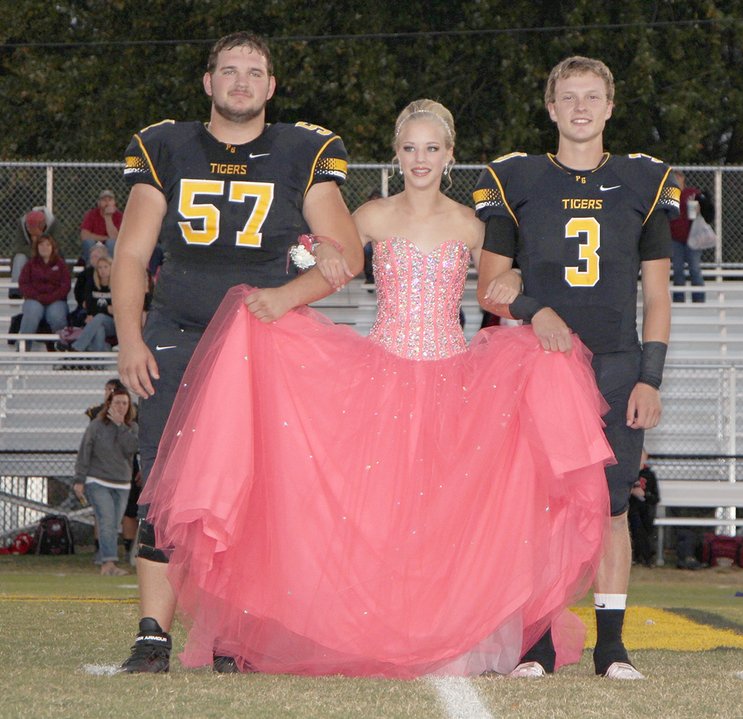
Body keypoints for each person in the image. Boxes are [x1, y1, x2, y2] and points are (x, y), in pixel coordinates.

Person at [136, 98, 614, 677]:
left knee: (446, 519)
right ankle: (360, 632)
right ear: (396, 152)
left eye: (432, 149)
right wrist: (303, 264)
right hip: (380, 378)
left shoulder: (471, 223)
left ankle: (452, 633)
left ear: (450, 156)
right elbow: (320, 255)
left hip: (452, 382)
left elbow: (496, 287)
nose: (421, 159)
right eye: (410, 148)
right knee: (376, 521)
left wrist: (518, 287)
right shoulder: (370, 216)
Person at [113, 31, 362, 673]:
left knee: (254, 490)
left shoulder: (303, 151)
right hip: (179, 329)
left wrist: (287, 297)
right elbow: (133, 255)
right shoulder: (166, 145)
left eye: (255, 72)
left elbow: (347, 255)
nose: (242, 82)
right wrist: (131, 338)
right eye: (229, 71)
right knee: (163, 482)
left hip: (261, 341)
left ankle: (234, 634)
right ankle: (152, 633)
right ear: (208, 82)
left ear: (272, 86)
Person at [474, 56, 680, 680]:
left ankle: (611, 647)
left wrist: (651, 375)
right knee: (542, 507)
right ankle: (537, 644)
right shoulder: (519, 178)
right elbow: (489, 286)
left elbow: (658, 295)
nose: (581, 108)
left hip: (618, 362)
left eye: (593, 97)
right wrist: (535, 310)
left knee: (612, 506)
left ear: (610, 106)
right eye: (569, 97)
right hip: (545, 363)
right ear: (551, 107)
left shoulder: (643, 182)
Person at [73, 386, 139, 576]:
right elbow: (84, 452)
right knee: (107, 520)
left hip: (122, 483)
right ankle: (108, 563)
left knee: (113, 523)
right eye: (117, 402)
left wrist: (121, 426)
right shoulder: (96, 425)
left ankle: (106, 559)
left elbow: (131, 449)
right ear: (109, 404)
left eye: (124, 403)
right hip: (98, 480)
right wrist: (80, 479)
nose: (121, 406)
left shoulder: (132, 427)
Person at [17, 234, 71, 343]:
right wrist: (37, 296)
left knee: (57, 316)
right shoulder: (30, 264)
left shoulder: (61, 265)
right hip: (34, 299)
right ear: (37, 247)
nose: (44, 247)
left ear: (53, 247)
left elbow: (65, 285)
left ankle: (63, 348)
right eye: (41, 245)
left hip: (56, 300)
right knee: (31, 315)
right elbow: (23, 284)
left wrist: (51, 297)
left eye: (48, 245)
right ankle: (23, 350)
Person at [670, 170, 710, 303]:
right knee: (678, 269)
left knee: (694, 268)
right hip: (676, 238)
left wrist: (701, 206)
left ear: (682, 180)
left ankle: (699, 298)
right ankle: (679, 298)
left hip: (693, 238)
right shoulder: (669, 196)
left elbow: (707, 208)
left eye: (677, 179)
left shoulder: (691, 193)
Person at [10, 207, 60, 298]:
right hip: (28, 254)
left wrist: (40, 240)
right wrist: (36, 246)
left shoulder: (54, 224)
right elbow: (18, 248)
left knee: (56, 258)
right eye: (30, 230)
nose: (30, 233)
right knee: (19, 257)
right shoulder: (22, 224)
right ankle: (15, 291)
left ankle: (52, 288)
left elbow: (57, 246)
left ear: (42, 226)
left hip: (48, 255)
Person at [68, 256, 115, 352]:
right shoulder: (92, 284)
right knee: (99, 329)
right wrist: (106, 309)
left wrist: (97, 311)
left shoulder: (118, 286)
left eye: (106, 267)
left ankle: (76, 347)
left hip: (114, 324)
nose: (103, 270)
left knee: (100, 317)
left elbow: (116, 310)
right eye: (100, 267)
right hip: (96, 322)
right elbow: (88, 305)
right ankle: (97, 364)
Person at [628, 449, 660, 566]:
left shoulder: (649, 475)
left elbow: (655, 498)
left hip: (646, 509)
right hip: (631, 509)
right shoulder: (629, 474)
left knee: (643, 523)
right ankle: (637, 556)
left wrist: (644, 494)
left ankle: (646, 556)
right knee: (634, 521)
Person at [79, 189, 123, 262]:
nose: (107, 202)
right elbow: (84, 235)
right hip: (95, 245)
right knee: (88, 242)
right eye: (104, 200)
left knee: (112, 242)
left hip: (110, 246)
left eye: (110, 200)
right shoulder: (91, 214)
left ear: (114, 202)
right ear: (99, 203)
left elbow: (116, 238)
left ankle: (110, 267)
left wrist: (108, 217)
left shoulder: (119, 216)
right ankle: (91, 268)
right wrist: (105, 238)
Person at [72, 244, 111, 326]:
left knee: (96, 320)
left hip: (107, 314)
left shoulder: (114, 277)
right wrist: (83, 302)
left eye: (96, 256)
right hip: (88, 308)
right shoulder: (85, 274)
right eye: (91, 257)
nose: (93, 259)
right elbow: (78, 292)